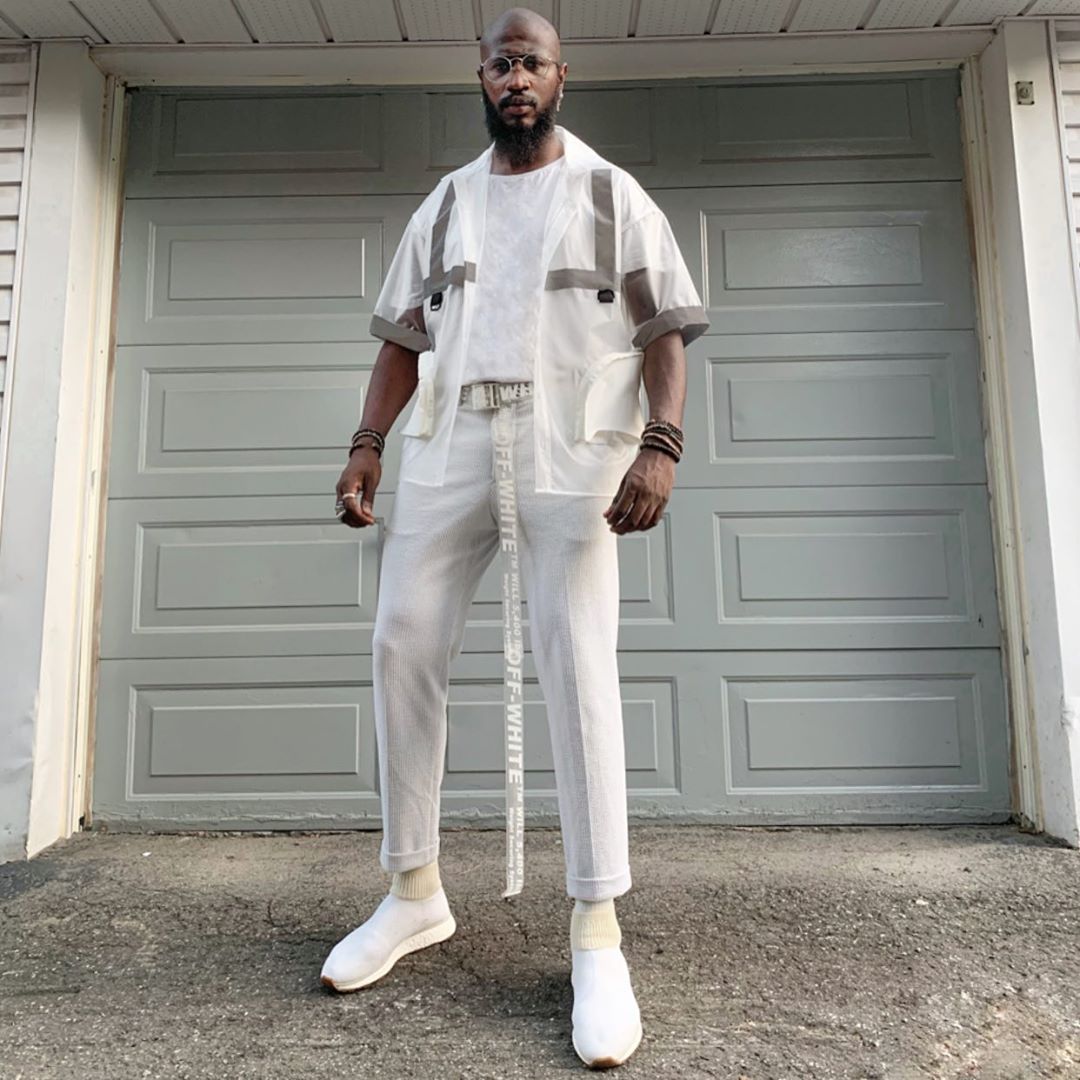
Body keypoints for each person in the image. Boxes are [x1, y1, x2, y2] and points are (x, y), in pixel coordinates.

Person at [321, 7, 708, 1068]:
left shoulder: (609, 192)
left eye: (532, 62)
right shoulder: (448, 202)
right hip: (452, 438)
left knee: (576, 664)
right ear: (482, 79)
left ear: (560, 76)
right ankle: (413, 891)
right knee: (401, 638)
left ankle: (596, 931)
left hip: (570, 445)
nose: (516, 79)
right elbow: (404, 339)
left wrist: (662, 443)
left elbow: (664, 329)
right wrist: (367, 444)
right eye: (501, 64)